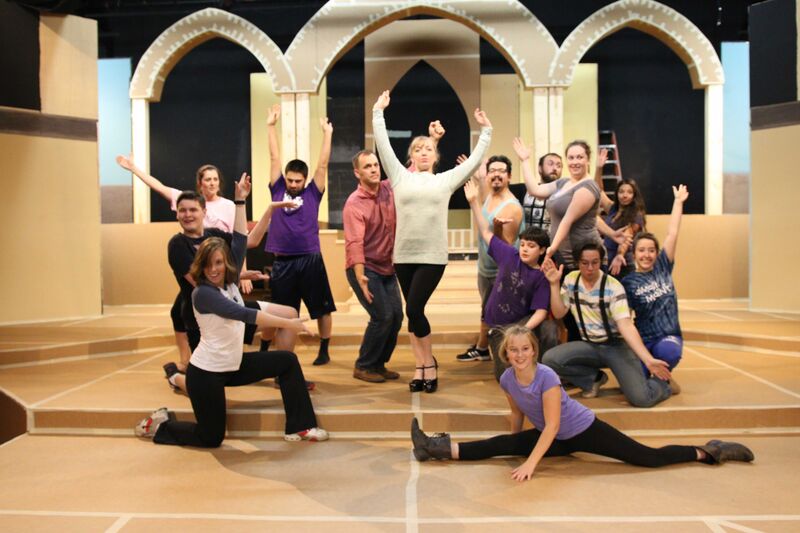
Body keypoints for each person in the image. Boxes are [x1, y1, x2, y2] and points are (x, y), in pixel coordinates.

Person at [410, 325, 754, 481]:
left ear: (534, 350)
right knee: (498, 443)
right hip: (555, 437)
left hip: (581, 429)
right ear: (506, 353)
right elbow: (516, 413)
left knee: (646, 458)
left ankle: (708, 451)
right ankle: (436, 447)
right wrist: (515, 443)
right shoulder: (507, 379)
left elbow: (554, 426)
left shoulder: (546, 376)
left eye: (525, 349)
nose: (519, 355)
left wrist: (530, 463)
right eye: (513, 350)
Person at [135, 173, 328, 447]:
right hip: (208, 373)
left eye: (219, 263)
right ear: (200, 266)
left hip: (234, 364)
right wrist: (291, 324)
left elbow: (239, 240)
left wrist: (241, 202)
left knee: (286, 361)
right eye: (208, 265)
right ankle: (159, 424)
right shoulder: (204, 293)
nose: (214, 269)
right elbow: (245, 314)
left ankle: (301, 427)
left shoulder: (228, 278)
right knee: (210, 437)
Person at [372, 90, 493, 393]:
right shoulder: (399, 176)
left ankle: (429, 364)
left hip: (432, 257)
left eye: (428, 149)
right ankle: (421, 366)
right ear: (411, 157)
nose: (424, 152)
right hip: (403, 256)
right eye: (418, 149)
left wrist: (486, 130)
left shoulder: (445, 180)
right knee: (413, 314)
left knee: (414, 309)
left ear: (435, 156)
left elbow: (474, 161)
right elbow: (383, 144)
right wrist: (378, 111)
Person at [116, 156, 256, 376]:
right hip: (197, 267)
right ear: (200, 183)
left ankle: (195, 367)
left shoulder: (228, 206)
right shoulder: (187, 203)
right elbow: (159, 187)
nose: (211, 183)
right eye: (207, 179)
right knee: (181, 310)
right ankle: (185, 363)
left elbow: (239, 240)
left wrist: (241, 272)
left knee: (216, 312)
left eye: (215, 179)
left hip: (221, 269)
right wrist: (134, 169)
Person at [540, 243, 676, 407]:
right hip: (590, 346)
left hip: (616, 347)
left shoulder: (613, 287)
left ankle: (663, 385)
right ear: (577, 263)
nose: (590, 268)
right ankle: (593, 379)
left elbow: (626, 325)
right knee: (550, 359)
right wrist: (554, 284)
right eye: (584, 263)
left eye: (595, 262)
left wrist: (648, 360)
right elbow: (559, 313)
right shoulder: (571, 280)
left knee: (642, 399)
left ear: (601, 261)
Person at [463, 181, 558, 380]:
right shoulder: (509, 255)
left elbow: (541, 311)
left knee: (549, 329)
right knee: (504, 377)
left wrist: (522, 330)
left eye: (531, 246)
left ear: (542, 250)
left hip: (519, 323)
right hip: (498, 327)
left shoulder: (541, 276)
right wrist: (473, 202)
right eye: (522, 244)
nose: (524, 249)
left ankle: (544, 372)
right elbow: (486, 232)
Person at [265, 104, 336, 366]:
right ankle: (268, 348)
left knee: (322, 307)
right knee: (281, 311)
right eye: (290, 180)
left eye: (297, 181)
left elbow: (322, 164)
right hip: (283, 261)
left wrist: (327, 133)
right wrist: (271, 126)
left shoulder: (313, 193)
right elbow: (274, 158)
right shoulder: (277, 190)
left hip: (310, 259)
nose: (293, 184)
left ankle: (324, 349)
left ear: (305, 180)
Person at [343, 150, 403, 383]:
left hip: (387, 267)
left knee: (396, 316)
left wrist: (433, 141)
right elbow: (355, 243)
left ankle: (378, 364)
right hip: (364, 269)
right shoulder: (354, 203)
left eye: (376, 165)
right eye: (367, 166)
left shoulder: (389, 189)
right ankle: (364, 365)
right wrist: (360, 277)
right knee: (382, 316)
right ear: (357, 173)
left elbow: (411, 170)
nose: (374, 169)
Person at [456, 155, 523, 363]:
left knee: (496, 314)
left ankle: (501, 356)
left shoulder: (512, 208)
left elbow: (505, 249)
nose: (496, 174)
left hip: (500, 273)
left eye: (501, 171)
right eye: (492, 170)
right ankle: (483, 348)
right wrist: (476, 174)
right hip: (485, 269)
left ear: (509, 176)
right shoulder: (490, 196)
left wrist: (496, 228)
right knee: (486, 309)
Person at [622, 185, 689, 375]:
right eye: (641, 250)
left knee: (669, 353)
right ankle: (655, 379)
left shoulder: (663, 266)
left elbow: (672, 233)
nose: (647, 255)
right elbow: (625, 319)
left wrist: (678, 202)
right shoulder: (628, 282)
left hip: (667, 337)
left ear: (657, 253)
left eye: (651, 250)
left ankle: (663, 378)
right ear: (634, 254)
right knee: (639, 382)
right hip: (643, 341)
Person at [515, 139, 604, 270]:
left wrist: (551, 249)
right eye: (571, 158)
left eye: (580, 157)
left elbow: (567, 220)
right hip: (563, 256)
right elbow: (535, 190)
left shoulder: (588, 186)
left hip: (583, 258)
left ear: (588, 160)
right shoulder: (563, 182)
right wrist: (525, 161)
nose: (575, 162)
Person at [594, 149, 647, 278]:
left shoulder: (636, 215)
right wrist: (599, 168)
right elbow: (598, 190)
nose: (625, 195)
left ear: (634, 195)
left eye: (629, 192)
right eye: (621, 191)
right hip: (607, 261)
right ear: (617, 194)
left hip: (622, 264)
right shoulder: (613, 208)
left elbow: (626, 237)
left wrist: (619, 255)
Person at [521, 152, 562, 233]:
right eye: (550, 164)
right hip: (528, 239)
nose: (555, 168)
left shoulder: (566, 192)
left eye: (559, 166)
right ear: (540, 168)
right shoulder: (523, 190)